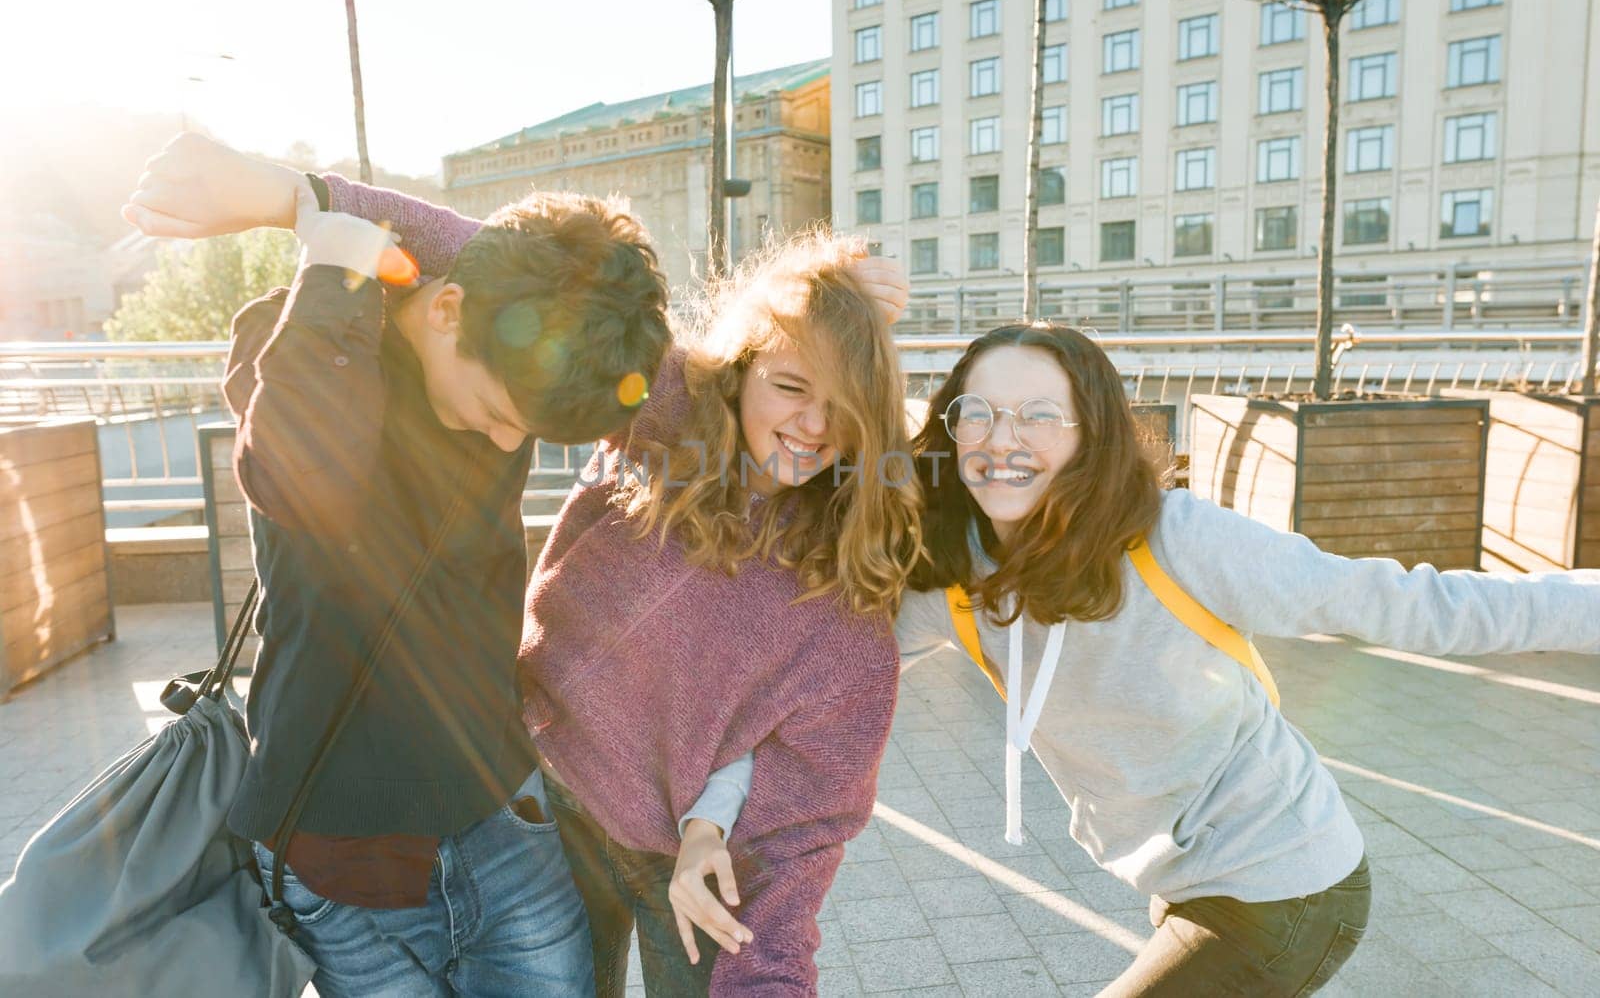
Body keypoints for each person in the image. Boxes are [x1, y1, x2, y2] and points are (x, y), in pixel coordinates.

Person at [121, 134, 740, 996]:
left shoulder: (520, 346)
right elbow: (299, 481)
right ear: (445, 310)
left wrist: (298, 192)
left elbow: (510, 259)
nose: (505, 442)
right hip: (339, 857)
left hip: (500, 819)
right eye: (493, 410)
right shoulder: (307, 338)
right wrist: (332, 256)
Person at [889, 321, 1600, 995]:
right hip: (1184, 881)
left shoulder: (1178, 540)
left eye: (1038, 414)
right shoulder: (960, 577)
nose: (1000, 438)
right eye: (976, 411)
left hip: (1286, 884)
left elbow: (1410, 602)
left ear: (1092, 436)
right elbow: (834, 663)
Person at [347, 183, 919, 995]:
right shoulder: (671, 411)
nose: (815, 426)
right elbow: (537, 276)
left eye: (845, 406)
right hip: (533, 797)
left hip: (680, 862)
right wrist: (299, 193)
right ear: (746, 366)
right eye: (792, 386)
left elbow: (803, 842)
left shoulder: (848, 611)